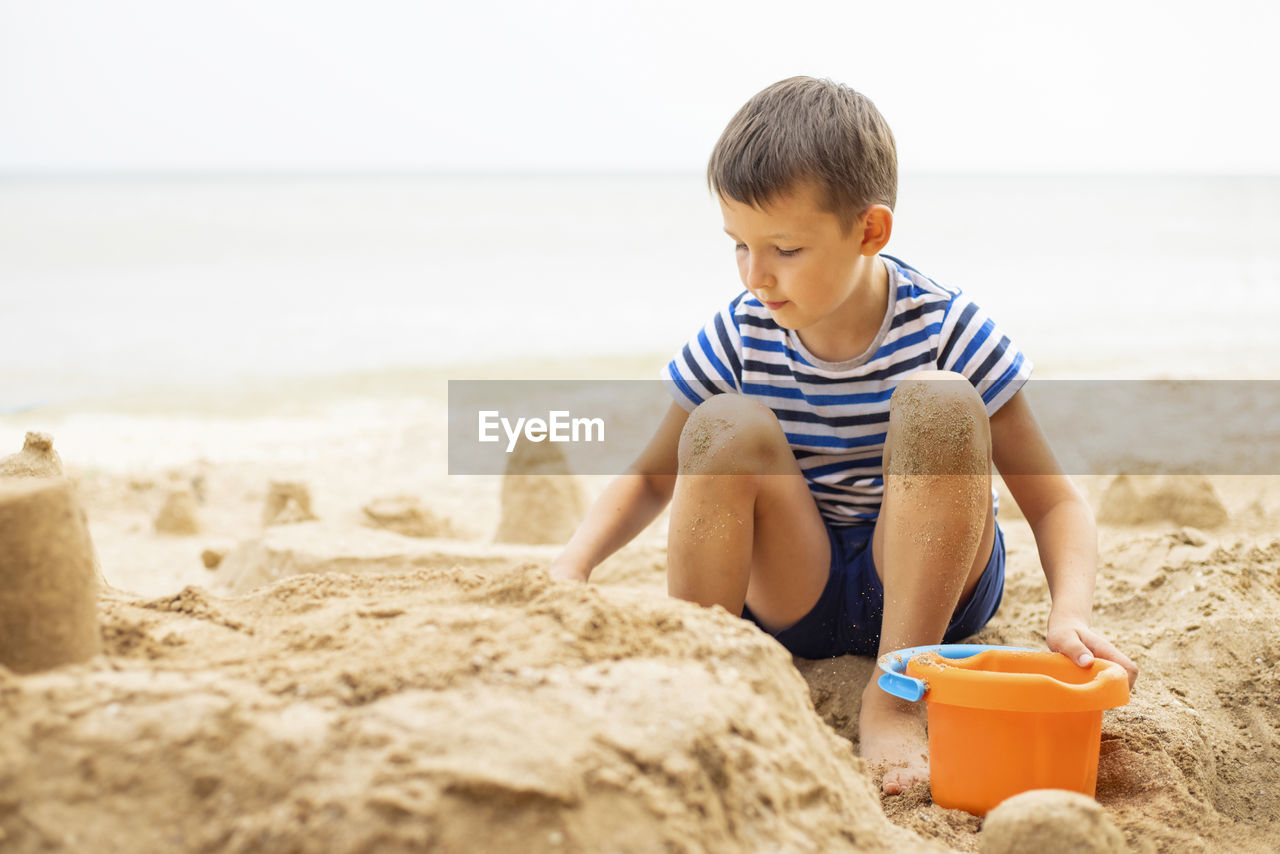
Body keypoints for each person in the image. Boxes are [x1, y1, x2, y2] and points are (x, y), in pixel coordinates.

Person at [548, 76, 1138, 794]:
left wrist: (1068, 611)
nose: (756, 275)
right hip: (797, 589)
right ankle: (706, 671)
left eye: (785, 249)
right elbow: (649, 477)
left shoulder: (947, 327)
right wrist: (570, 568)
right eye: (739, 245)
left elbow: (1054, 503)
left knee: (942, 403)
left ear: (870, 231)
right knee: (720, 425)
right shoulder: (741, 331)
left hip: (930, 583)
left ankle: (895, 696)